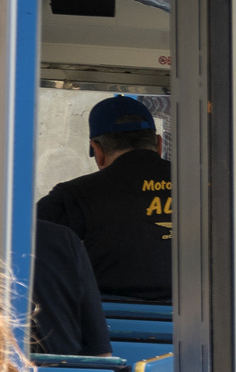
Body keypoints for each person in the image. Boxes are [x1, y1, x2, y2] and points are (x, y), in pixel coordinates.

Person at [37, 95, 172, 302]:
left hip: (109, 327)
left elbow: (24, 246)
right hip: (208, 325)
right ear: (159, 144)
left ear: (97, 150)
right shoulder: (203, 188)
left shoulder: (74, 195)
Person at [29, 220, 111, 357]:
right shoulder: (63, 238)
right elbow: (98, 344)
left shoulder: (63, 238)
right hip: (61, 367)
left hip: (52, 365)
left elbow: (98, 341)